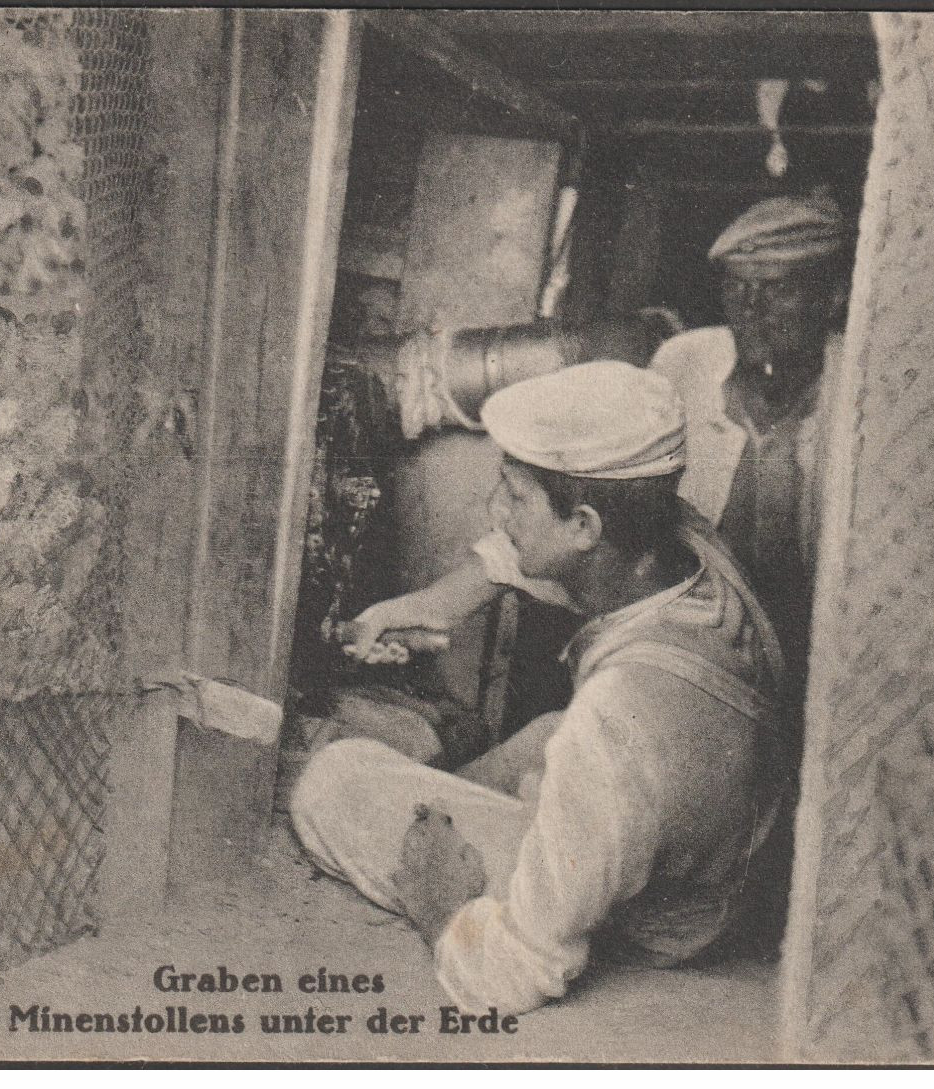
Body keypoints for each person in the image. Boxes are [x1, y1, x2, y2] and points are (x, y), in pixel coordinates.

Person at [289, 362, 787, 1016]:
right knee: (547, 735)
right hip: (716, 851)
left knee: (335, 779)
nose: (496, 510)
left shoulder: (620, 714)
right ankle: (457, 816)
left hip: (671, 921)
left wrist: (444, 903)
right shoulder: (674, 541)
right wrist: (434, 604)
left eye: (515, 496)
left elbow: (513, 976)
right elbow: (535, 558)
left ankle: (463, 857)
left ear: (583, 525)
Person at [650, 193, 852, 692]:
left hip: (826, 670)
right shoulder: (686, 363)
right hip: (690, 654)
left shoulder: (864, 384)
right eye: (737, 288)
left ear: (835, 295)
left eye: (777, 288)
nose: (751, 309)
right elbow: (606, 484)